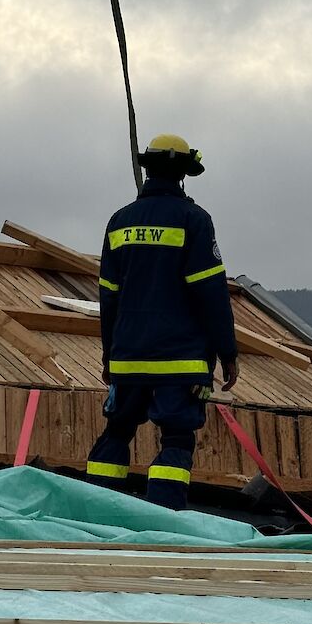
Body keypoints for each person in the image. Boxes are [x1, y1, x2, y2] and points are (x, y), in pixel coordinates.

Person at [86, 133, 239, 510]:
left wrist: (110, 356)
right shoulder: (194, 221)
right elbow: (211, 293)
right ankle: (164, 523)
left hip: (128, 357)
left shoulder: (119, 222)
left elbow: (109, 296)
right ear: (184, 174)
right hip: (180, 361)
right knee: (176, 440)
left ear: (148, 168)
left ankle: (94, 514)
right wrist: (228, 352)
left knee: (117, 432)